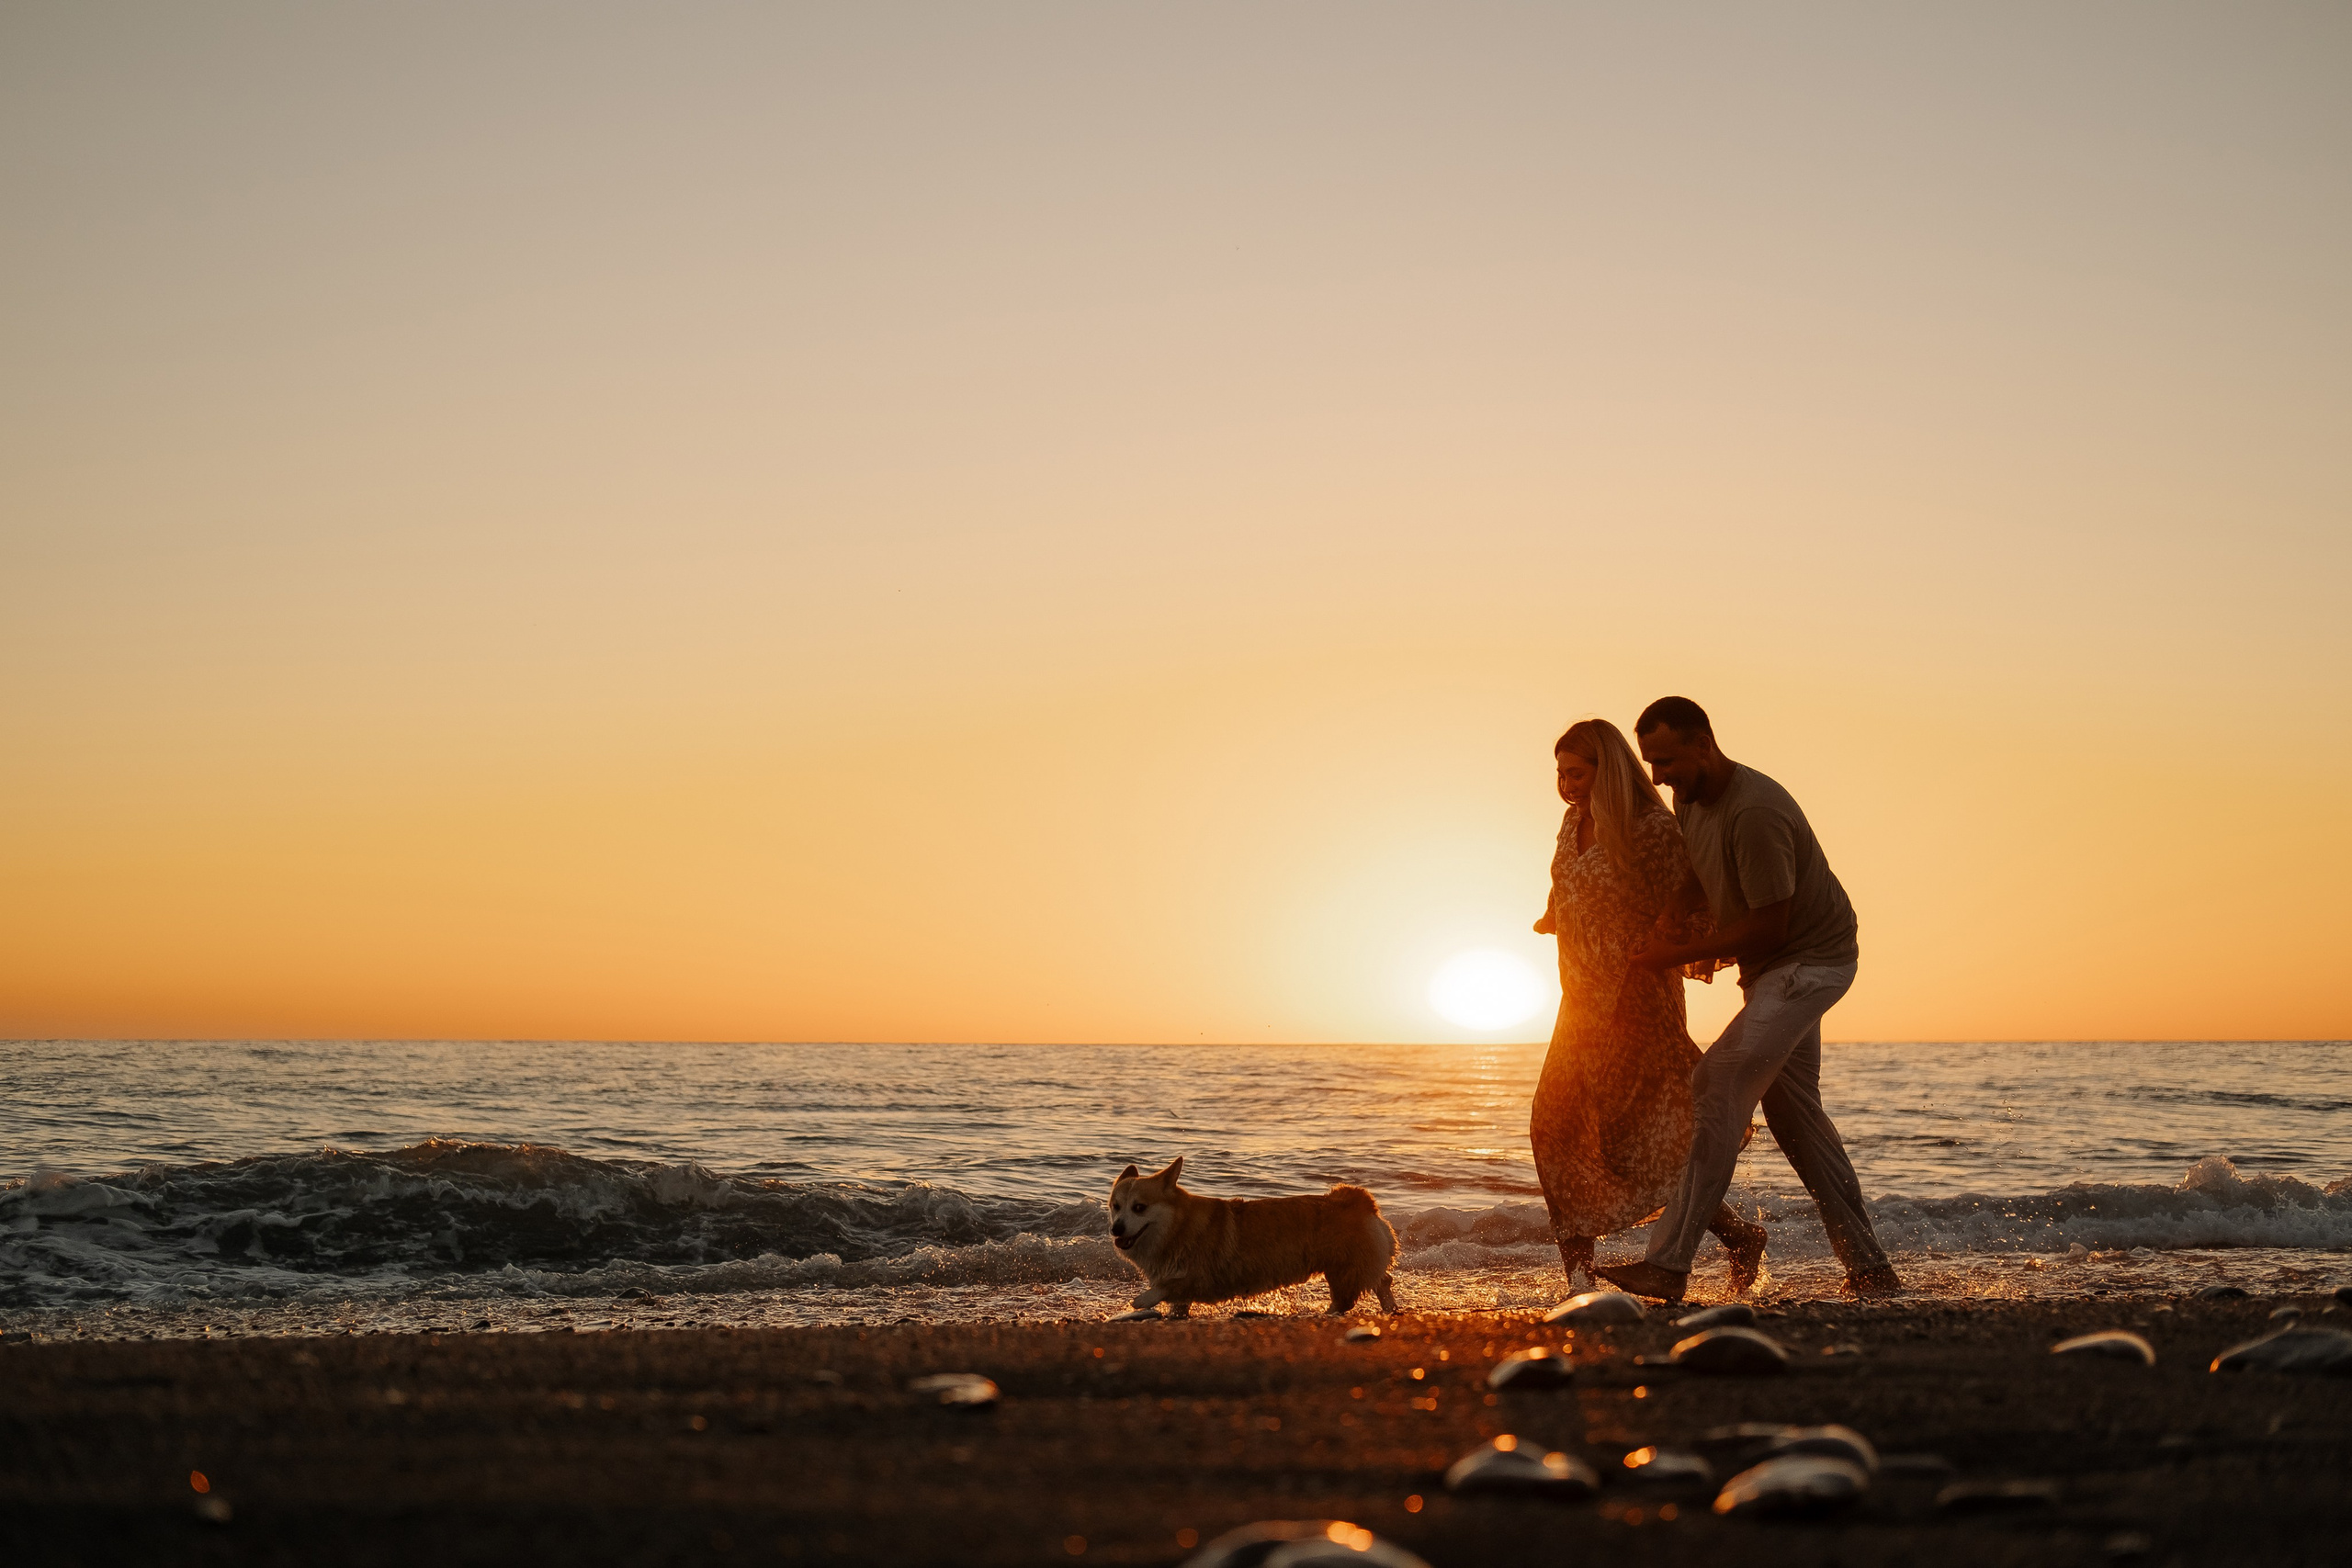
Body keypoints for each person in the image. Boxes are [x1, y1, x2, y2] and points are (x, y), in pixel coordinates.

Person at [1594, 697, 1901, 1303]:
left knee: (1715, 1081)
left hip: (1810, 965)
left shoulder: (1755, 811)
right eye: (1650, 763)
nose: (1658, 777)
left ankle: (1668, 1263)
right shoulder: (1692, 796)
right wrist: (1673, 912)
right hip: (1772, 974)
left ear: (1704, 743)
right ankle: (1872, 1271)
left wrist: (1667, 957)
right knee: (1795, 1120)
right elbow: (1695, 867)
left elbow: (1770, 928)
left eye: (1667, 760)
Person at [1531, 718, 1767, 1290]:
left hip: (1637, 1001)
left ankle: (1736, 1235)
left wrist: (1658, 949)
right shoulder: (1571, 823)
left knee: (1637, 1140)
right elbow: (1568, 887)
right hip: (1580, 1004)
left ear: (1608, 769)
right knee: (1555, 1127)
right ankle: (1580, 1282)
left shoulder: (1651, 829)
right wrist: (1553, 916)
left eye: (1577, 773)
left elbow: (1695, 895)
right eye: (1560, 774)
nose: (1566, 785)